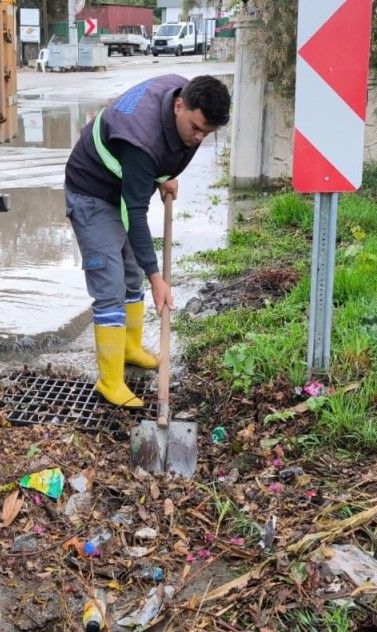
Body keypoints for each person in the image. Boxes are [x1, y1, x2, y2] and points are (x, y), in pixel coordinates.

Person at [63, 74, 231, 407]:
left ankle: (130, 348)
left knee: (131, 273)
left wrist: (160, 176)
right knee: (110, 284)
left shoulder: (183, 90)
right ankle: (110, 381)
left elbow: (150, 166)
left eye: (207, 133)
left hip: (124, 183)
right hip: (91, 193)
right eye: (196, 128)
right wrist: (157, 278)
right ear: (179, 106)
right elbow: (135, 213)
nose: (199, 138)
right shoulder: (142, 141)